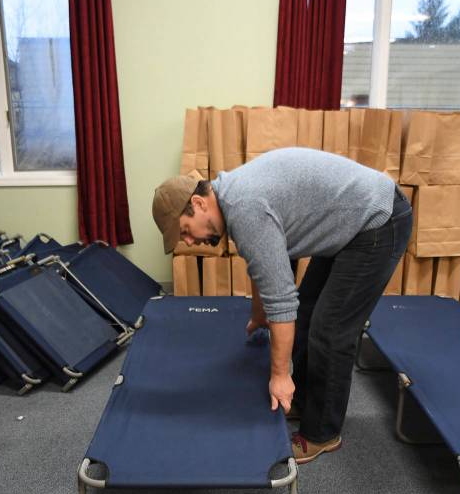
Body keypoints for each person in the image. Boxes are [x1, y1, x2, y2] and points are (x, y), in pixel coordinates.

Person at [151, 147, 412, 464]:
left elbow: (282, 299)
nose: (190, 242)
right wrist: (260, 313)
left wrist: (279, 374)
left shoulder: (244, 210)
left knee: (330, 331)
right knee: (306, 314)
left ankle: (322, 434)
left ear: (198, 203)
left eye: (185, 232)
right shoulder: (233, 197)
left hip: (378, 221)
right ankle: (301, 398)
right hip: (351, 222)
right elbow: (267, 265)